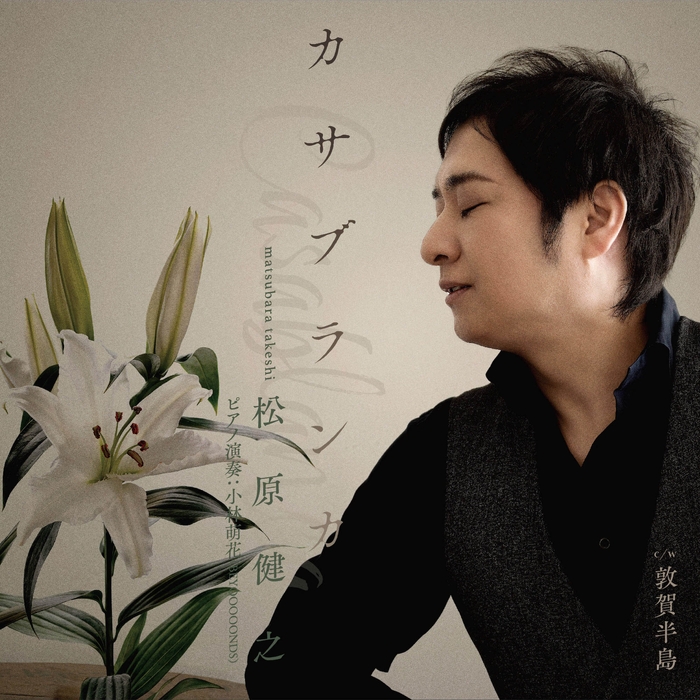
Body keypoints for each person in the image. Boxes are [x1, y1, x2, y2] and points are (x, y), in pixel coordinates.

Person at [245, 47, 699, 699]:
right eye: (439, 209)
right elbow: (291, 665)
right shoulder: (442, 455)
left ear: (597, 218)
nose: (432, 244)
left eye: (470, 205)